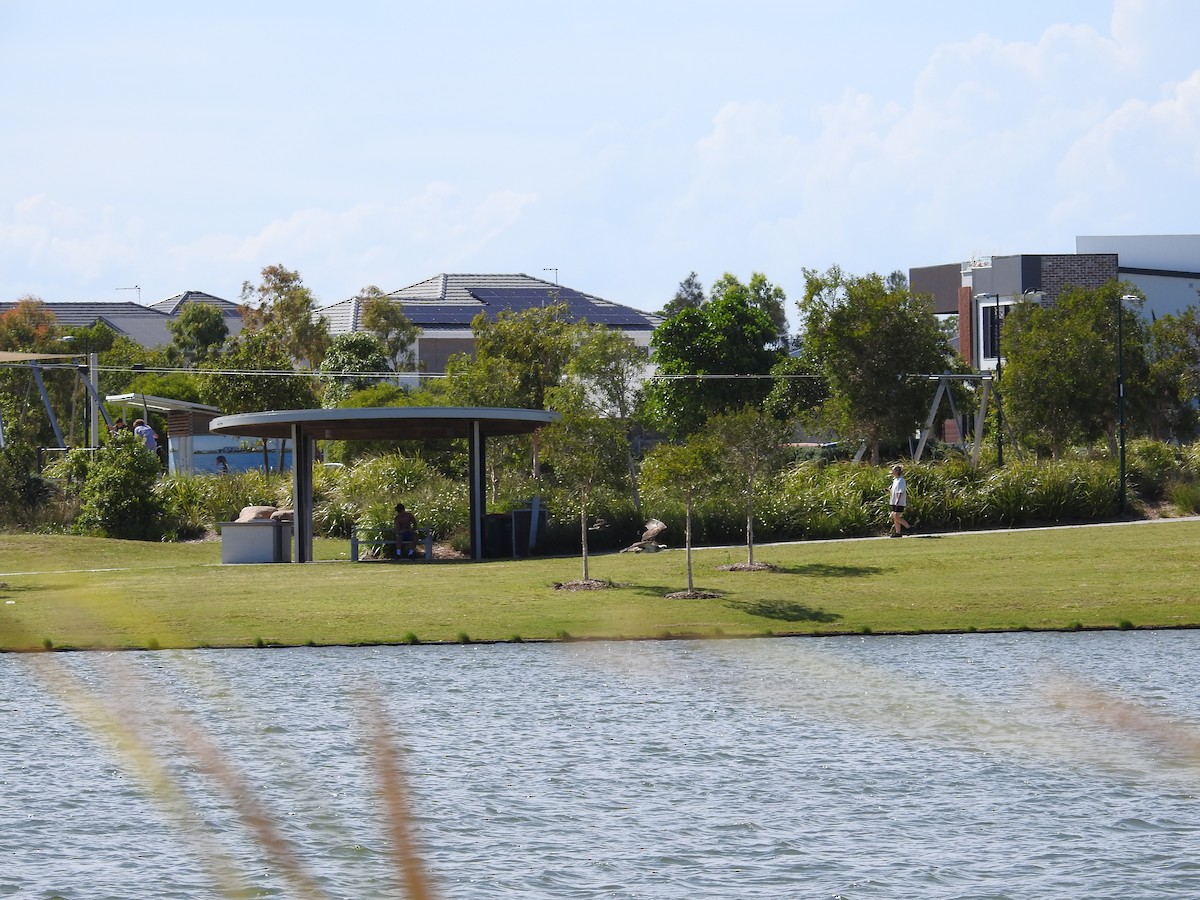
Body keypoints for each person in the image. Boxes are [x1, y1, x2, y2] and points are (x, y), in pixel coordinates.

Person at [889, 464, 912, 537]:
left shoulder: (901, 480)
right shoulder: (895, 480)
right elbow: (894, 491)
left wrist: (897, 501)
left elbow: (900, 491)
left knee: (896, 516)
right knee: (894, 516)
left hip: (899, 502)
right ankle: (898, 532)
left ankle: (909, 527)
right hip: (893, 501)